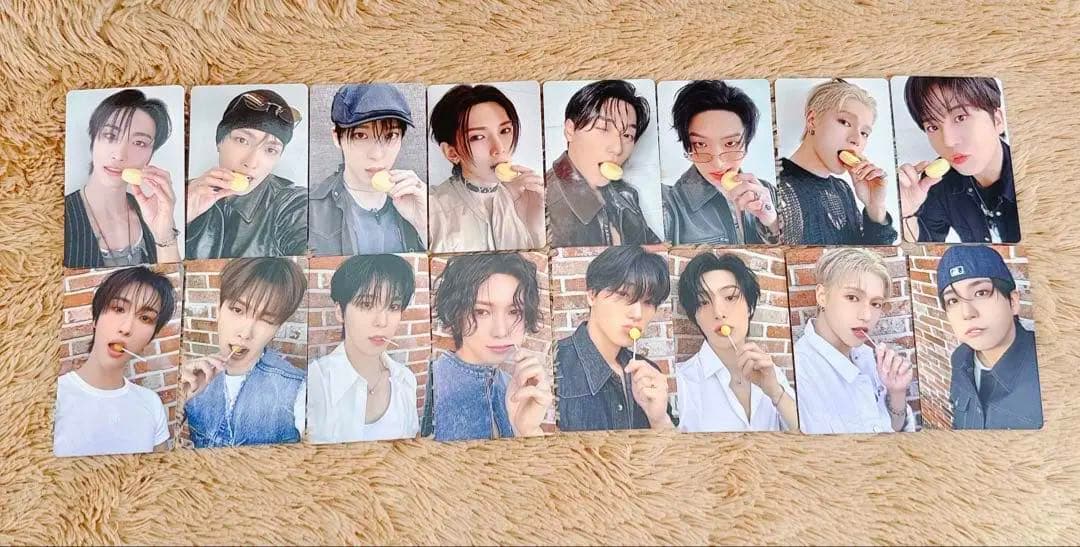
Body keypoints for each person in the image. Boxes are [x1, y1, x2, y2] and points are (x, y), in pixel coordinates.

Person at [421, 253, 551, 441]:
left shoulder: (513, 384)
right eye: (481, 311)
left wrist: (528, 430)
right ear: (456, 314)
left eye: (514, 311)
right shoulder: (431, 383)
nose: (501, 331)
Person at [180, 257, 307, 448]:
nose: (246, 333)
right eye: (238, 310)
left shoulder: (298, 390)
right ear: (218, 310)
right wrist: (180, 398)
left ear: (278, 328)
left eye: (266, 320)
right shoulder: (193, 379)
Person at [54, 266, 176, 456]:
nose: (126, 328)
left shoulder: (151, 403)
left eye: (145, 318)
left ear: (150, 339)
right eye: (118, 309)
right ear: (96, 319)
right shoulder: (55, 397)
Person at [794, 248, 915, 434]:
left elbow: (894, 427)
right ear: (822, 296)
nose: (867, 316)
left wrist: (896, 392)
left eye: (875, 304)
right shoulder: (800, 375)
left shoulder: (868, 357)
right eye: (852, 297)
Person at [555, 246, 674, 431]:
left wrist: (659, 420)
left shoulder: (648, 373)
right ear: (592, 295)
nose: (637, 314)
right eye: (624, 294)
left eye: (648, 302)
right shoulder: (554, 365)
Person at [674, 252, 797, 432]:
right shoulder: (682, 383)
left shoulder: (772, 374)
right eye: (703, 302)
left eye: (730, 297)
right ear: (695, 317)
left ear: (750, 307)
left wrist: (776, 393)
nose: (718, 312)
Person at [307, 254, 421, 443]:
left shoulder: (405, 380)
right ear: (340, 312)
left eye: (393, 306)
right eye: (366, 304)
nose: (382, 322)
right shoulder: (315, 382)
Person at [65, 89, 180, 267]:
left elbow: (173, 284)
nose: (119, 155)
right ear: (93, 140)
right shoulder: (62, 213)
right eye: (110, 135)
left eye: (139, 143)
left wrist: (164, 237)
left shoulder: (150, 213)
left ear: (150, 156)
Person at [186, 89, 308, 259]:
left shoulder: (292, 204)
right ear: (219, 141)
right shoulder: (181, 194)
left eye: (270, 150)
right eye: (242, 140)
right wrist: (179, 219)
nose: (251, 162)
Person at [776, 79, 897, 245]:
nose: (856, 140)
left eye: (864, 133)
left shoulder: (842, 189)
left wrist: (875, 207)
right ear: (812, 120)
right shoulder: (775, 184)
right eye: (845, 122)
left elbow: (867, 258)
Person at [309, 84, 427, 255]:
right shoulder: (309, 208)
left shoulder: (420, 200)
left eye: (390, 135)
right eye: (360, 135)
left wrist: (424, 227)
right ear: (337, 138)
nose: (377, 155)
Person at [899, 77, 1019, 243]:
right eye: (933, 127)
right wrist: (907, 212)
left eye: (960, 117)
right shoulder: (937, 183)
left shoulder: (1035, 177)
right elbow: (925, 244)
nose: (948, 141)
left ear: (997, 120)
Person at [427, 85, 544, 253]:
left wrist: (535, 230)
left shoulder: (532, 196)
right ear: (452, 153)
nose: (499, 148)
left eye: (505, 130)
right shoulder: (431, 208)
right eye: (478, 137)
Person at [662, 80, 781, 245]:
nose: (718, 164)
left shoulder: (769, 192)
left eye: (730, 143)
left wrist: (772, 224)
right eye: (701, 144)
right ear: (687, 145)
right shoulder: (669, 203)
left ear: (746, 143)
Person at [936, 246, 1042, 429]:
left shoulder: (1049, 368)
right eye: (953, 300)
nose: (967, 313)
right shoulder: (960, 359)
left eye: (981, 293)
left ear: (1013, 302)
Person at [546, 80, 662, 247]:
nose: (618, 148)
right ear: (570, 130)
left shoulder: (626, 195)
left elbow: (656, 251)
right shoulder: (540, 200)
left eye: (627, 135)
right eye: (603, 128)